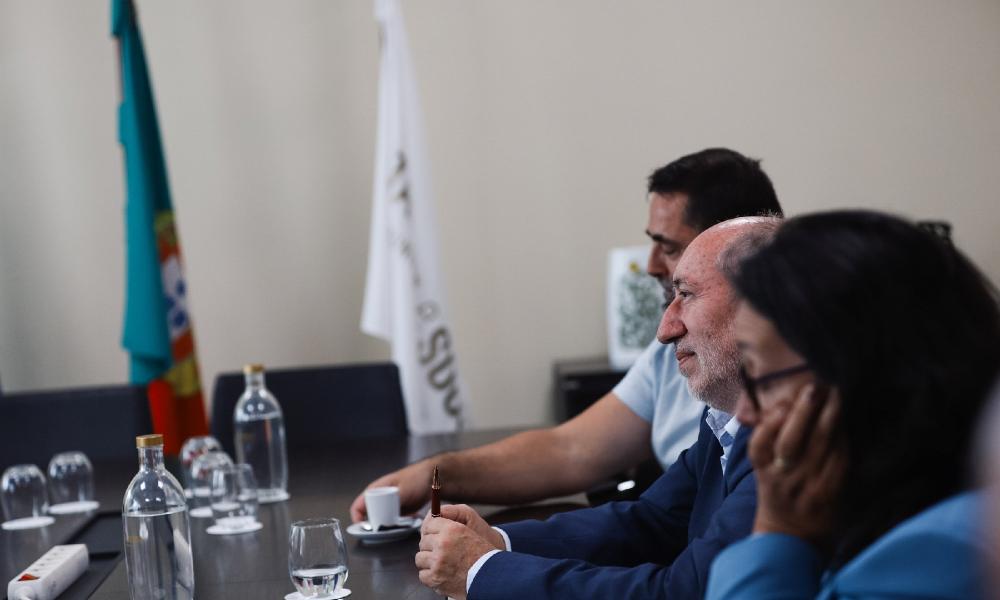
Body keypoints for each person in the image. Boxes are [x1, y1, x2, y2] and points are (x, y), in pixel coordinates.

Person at [351, 148, 782, 522]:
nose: (652, 265)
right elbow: (572, 450)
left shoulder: (783, 389)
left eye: (668, 247)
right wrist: (437, 476)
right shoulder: (670, 346)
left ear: (733, 247)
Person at [416, 217, 781, 600]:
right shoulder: (729, 416)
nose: (665, 330)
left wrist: (482, 571)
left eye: (686, 295)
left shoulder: (789, 440)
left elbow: (683, 594)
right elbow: (653, 522)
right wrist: (498, 542)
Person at [705, 210, 1000, 599]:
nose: (745, 414)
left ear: (857, 376)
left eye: (759, 377)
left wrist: (777, 529)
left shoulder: (936, 552)